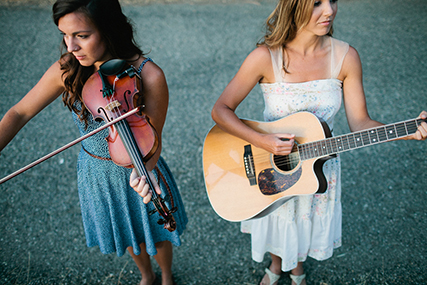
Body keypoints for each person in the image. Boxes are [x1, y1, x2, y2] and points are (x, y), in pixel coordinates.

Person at [211, 0, 427, 284]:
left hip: (321, 165)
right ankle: (276, 266)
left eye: (332, 0)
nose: (329, 11)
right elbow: (220, 110)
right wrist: (262, 141)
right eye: (316, 3)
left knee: (304, 218)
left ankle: (296, 267)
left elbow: (360, 123)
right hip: (269, 161)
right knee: (279, 214)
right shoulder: (266, 57)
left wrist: (404, 130)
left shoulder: (346, 57)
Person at [0, 0, 187, 284]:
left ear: (108, 29)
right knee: (127, 235)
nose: (71, 46)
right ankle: (146, 275)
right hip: (96, 174)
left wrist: (143, 168)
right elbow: (19, 112)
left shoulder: (149, 75)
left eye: (81, 36)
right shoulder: (69, 67)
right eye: (65, 35)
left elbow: (153, 141)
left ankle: (166, 276)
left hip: (135, 166)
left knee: (157, 234)